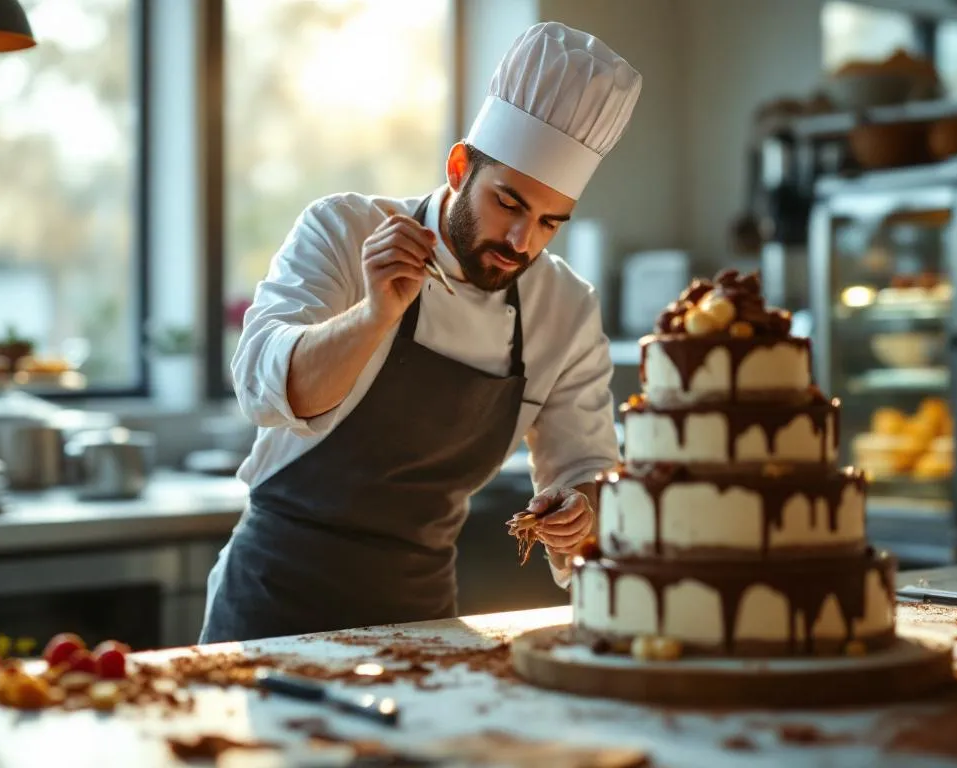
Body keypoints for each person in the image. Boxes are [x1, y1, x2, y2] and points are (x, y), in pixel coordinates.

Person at [200, 21, 642, 643]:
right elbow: (263, 388)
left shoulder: (564, 306)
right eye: (509, 204)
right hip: (273, 604)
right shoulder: (343, 230)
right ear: (460, 167)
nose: (523, 243)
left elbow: (587, 464)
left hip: (420, 617)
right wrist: (374, 313)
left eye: (550, 223)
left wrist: (582, 511)